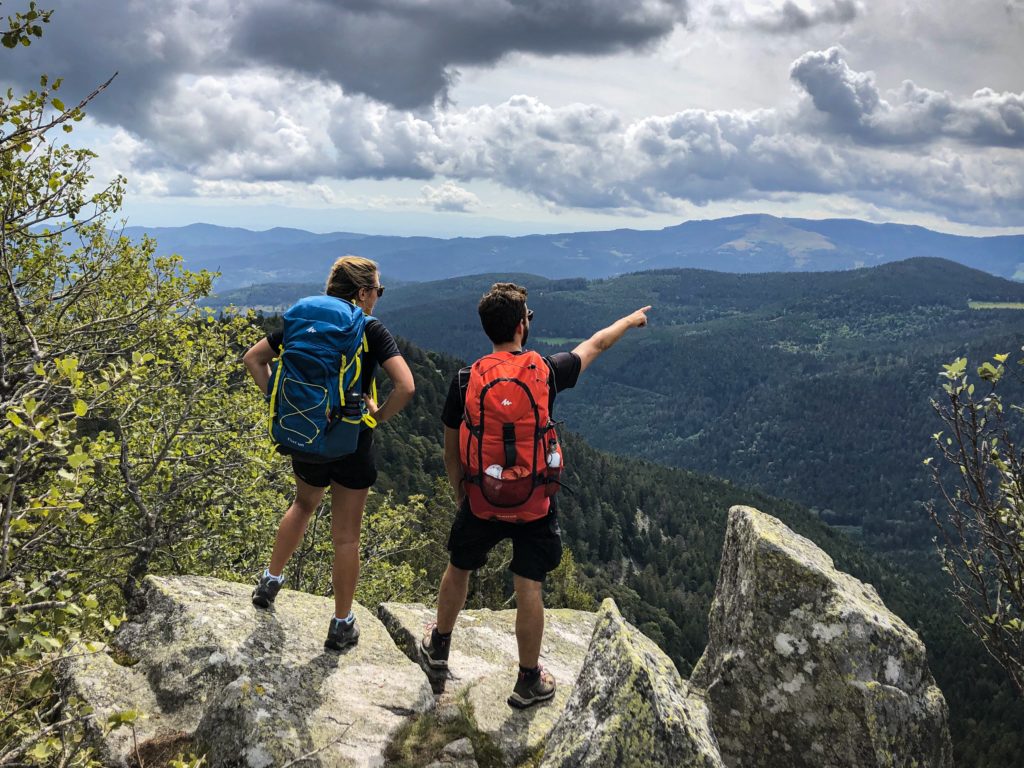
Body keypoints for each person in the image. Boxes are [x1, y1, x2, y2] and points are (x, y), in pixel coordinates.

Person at [419, 281, 650, 708]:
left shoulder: (466, 378)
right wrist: (630, 320)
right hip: (534, 504)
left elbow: (451, 447)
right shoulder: (545, 370)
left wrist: (461, 493)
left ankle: (439, 648)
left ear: (488, 328)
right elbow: (596, 344)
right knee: (529, 589)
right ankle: (527, 680)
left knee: (459, 568)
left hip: (481, 499)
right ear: (522, 326)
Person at [243, 255, 415, 651]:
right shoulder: (369, 327)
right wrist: (379, 416)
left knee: (303, 505)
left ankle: (269, 583)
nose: (378, 298)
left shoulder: (304, 318)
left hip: (304, 435)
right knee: (346, 538)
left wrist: (282, 403)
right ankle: (341, 623)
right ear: (361, 292)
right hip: (352, 443)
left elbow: (254, 359)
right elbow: (406, 386)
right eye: (377, 290)